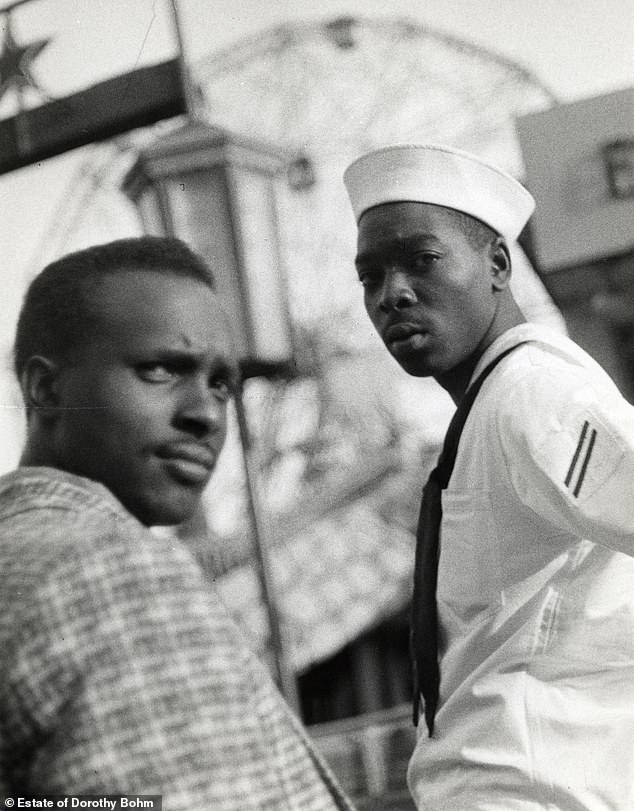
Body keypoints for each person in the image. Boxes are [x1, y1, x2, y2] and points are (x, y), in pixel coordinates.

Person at [0, 237, 352, 810]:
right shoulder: (113, 571)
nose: (207, 414)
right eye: (160, 368)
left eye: (221, 384)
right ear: (45, 389)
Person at [343, 144, 634, 810]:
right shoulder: (492, 406)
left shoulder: (530, 396)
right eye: (370, 276)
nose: (392, 293)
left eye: (422, 260)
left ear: (498, 264)